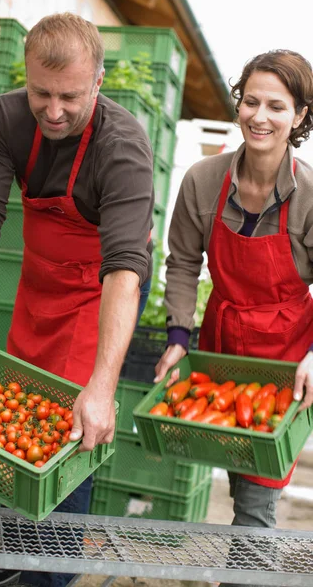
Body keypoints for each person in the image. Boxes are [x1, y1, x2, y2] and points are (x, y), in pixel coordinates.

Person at [0, 13, 154, 587]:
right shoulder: (2, 119)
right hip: (40, 284)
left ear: (98, 82)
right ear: (25, 77)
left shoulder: (122, 147)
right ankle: (10, 558)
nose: (53, 111)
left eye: (70, 97)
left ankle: (47, 574)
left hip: (100, 291)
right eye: (41, 93)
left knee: (72, 431)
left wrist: (102, 387)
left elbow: (125, 267)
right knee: (21, 410)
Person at [154, 50, 313, 587]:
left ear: (300, 116)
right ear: (238, 103)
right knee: (237, 474)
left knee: (257, 501)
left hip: (287, 359)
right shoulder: (203, 180)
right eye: (251, 101)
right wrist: (179, 334)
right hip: (222, 349)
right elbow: (181, 262)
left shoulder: (311, 196)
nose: (259, 116)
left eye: (277, 105)